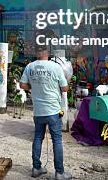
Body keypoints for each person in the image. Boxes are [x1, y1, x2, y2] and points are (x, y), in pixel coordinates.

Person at [20, 45, 70, 179]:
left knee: (38, 138)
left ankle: (36, 168)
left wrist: (34, 88)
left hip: (38, 111)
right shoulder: (55, 67)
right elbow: (65, 88)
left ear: (36, 52)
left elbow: (22, 85)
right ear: (48, 52)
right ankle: (60, 173)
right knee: (57, 140)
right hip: (53, 111)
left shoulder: (30, 67)